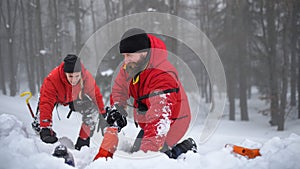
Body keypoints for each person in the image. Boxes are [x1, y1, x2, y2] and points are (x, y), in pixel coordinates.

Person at [95, 28, 197, 159]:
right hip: (150, 118)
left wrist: (144, 158)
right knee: (136, 151)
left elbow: (159, 121)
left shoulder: (163, 75)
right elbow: (120, 89)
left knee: (151, 157)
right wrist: (118, 109)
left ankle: (184, 148)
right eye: (124, 56)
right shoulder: (131, 65)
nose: (125, 61)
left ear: (144, 52)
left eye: (129, 55)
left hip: (173, 121)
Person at [37, 54, 106, 150]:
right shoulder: (53, 79)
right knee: (43, 117)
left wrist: (102, 113)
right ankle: (41, 128)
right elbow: (46, 102)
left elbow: (96, 95)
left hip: (74, 98)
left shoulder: (86, 77)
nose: (74, 80)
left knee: (93, 111)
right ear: (65, 73)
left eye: (77, 76)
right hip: (56, 98)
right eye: (70, 76)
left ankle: (83, 141)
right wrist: (45, 127)